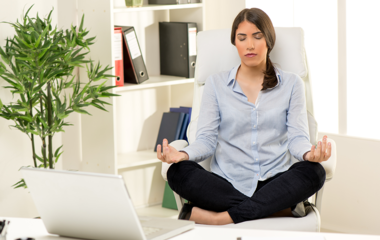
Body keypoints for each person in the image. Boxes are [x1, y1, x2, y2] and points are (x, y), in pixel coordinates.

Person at [156, 8, 331, 225]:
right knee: (178, 172)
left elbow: (297, 138)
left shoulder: (292, 83)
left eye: (257, 37)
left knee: (314, 172)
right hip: (227, 183)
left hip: (275, 180)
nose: (250, 45)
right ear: (235, 43)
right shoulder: (215, 83)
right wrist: (182, 154)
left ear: (268, 40)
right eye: (242, 38)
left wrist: (308, 154)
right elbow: (206, 141)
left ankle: (222, 217)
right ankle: (279, 209)